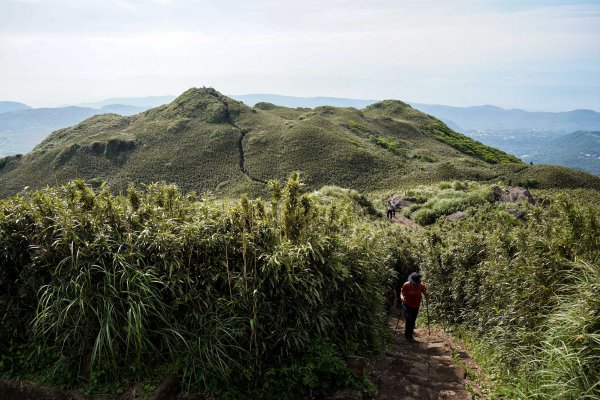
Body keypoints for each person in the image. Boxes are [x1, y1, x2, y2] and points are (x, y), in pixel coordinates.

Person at [400, 272, 427, 342]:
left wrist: (426, 294)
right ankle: (407, 336)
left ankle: (410, 335)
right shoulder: (406, 285)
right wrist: (402, 298)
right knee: (409, 319)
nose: (415, 283)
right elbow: (401, 293)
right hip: (407, 305)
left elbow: (425, 292)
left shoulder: (421, 285)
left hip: (416, 305)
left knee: (413, 321)